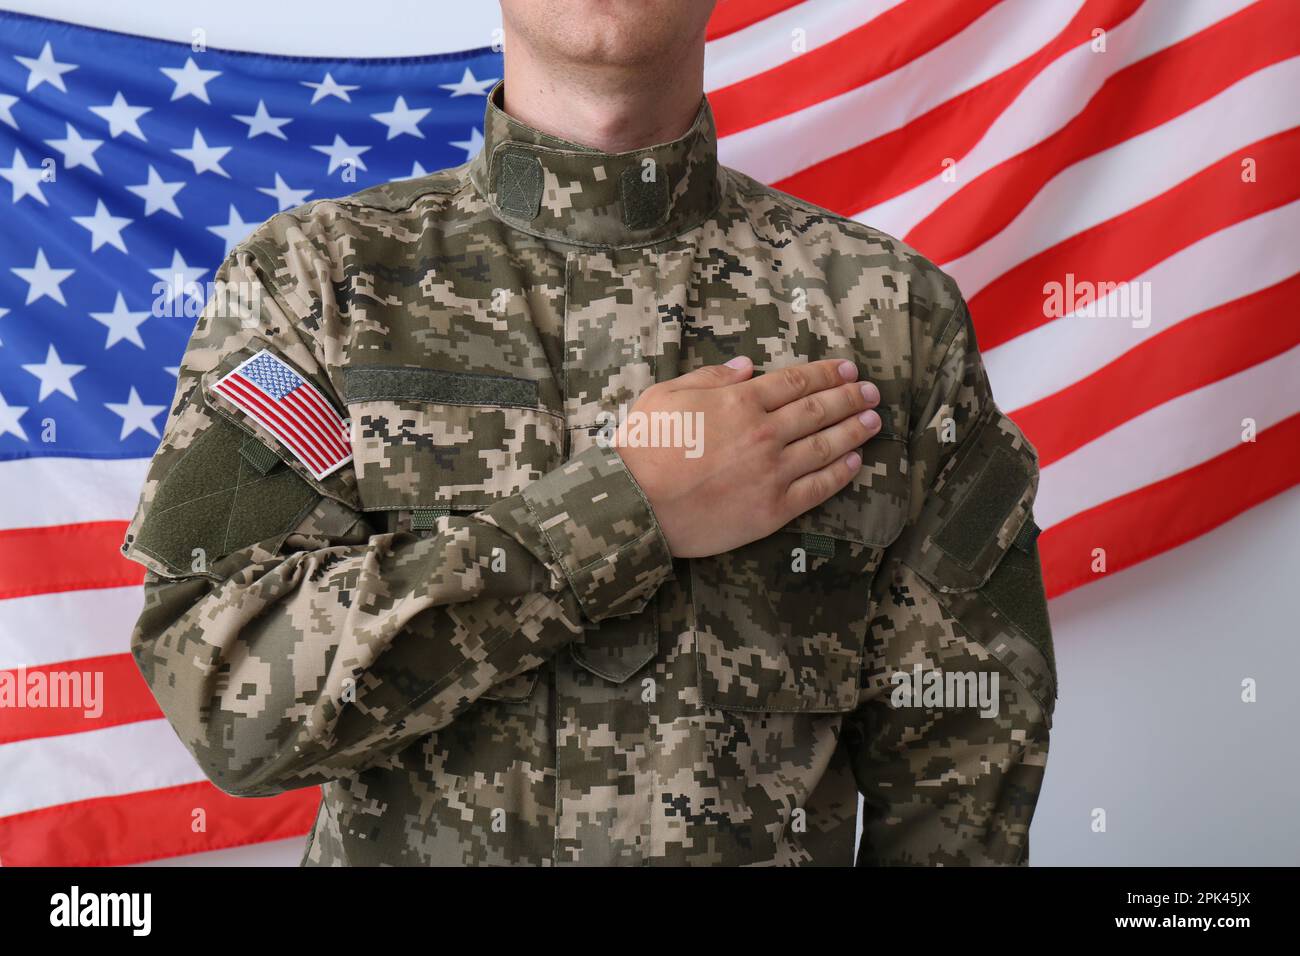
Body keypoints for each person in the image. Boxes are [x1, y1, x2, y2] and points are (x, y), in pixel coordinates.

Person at [121, 0, 1056, 865]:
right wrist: (624, 509)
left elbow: (965, 755)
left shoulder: (891, 316)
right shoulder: (313, 281)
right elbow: (225, 702)